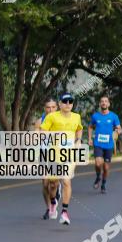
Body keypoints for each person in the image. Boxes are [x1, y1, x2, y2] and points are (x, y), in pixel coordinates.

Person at [40, 93, 84, 226]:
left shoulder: (77, 117)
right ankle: (53, 202)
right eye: (65, 101)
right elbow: (43, 131)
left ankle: (64, 212)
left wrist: (78, 140)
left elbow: (79, 129)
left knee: (66, 181)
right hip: (54, 155)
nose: (68, 104)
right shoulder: (52, 117)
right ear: (60, 104)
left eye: (70, 101)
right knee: (52, 184)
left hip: (69, 155)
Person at [88, 95, 121, 194]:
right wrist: (89, 138)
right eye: (102, 101)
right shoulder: (95, 116)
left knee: (106, 168)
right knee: (98, 163)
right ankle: (98, 176)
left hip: (109, 145)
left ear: (109, 104)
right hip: (98, 143)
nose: (104, 103)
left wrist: (118, 131)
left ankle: (103, 184)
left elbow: (119, 128)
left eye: (106, 101)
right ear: (100, 104)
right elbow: (90, 127)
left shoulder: (114, 116)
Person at [35, 98, 59, 220]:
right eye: (48, 107)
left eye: (53, 107)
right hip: (44, 154)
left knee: (53, 184)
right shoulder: (40, 121)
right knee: (45, 184)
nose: (51, 110)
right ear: (45, 108)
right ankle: (49, 208)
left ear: (57, 108)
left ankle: (54, 197)